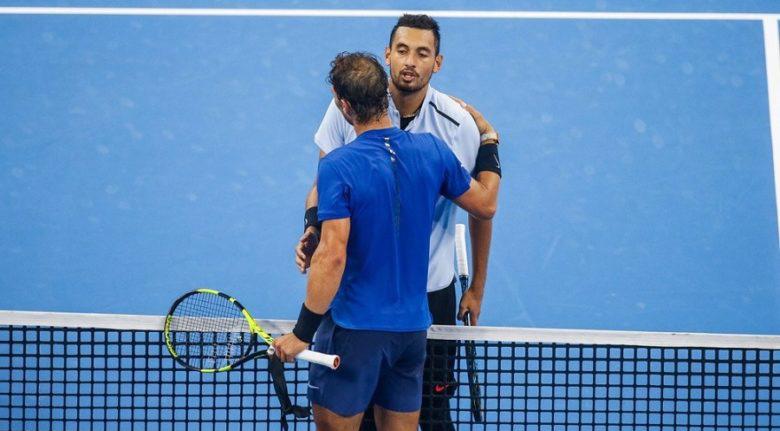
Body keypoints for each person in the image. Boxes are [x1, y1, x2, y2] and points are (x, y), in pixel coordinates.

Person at [274, 52, 501, 431]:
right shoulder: (432, 150)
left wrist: (302, 334)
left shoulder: (339, 165)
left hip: (353, 332)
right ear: (384, 94)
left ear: (344, 106)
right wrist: (489, 141)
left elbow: (332, 258)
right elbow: (486, 204)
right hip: (411, 334)